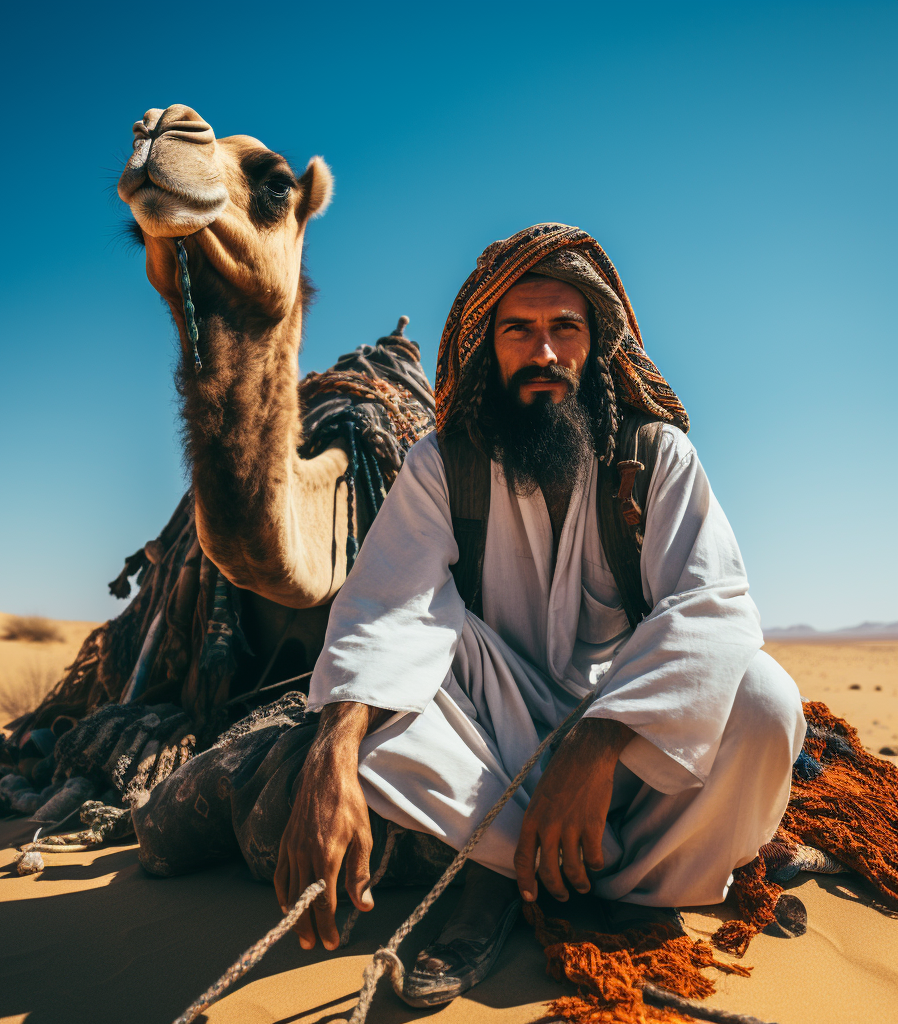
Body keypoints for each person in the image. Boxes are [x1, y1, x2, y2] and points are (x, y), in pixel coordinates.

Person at [271, 223, 806, 1005]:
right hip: (495, 732)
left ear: (598, 345)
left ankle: (617, 889)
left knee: (764, 701)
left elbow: (711, 604)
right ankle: (527, 872)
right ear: (487, 346)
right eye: (519, 330)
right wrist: (331, 755)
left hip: (630, 737)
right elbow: (387, 609)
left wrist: (598, 740)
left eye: (566, 329)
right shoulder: (442, 464)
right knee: (383, 707)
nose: (544, 352)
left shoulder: (653, 457)